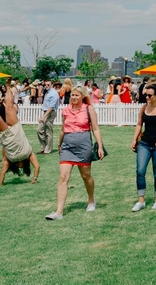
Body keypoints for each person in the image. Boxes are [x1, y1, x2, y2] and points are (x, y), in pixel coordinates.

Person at [48, 87, 104, 220]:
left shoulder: (88, 109)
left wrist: (100, 146)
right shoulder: (65, 110)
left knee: (86, 176)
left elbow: (95, 129)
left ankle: (91, 200)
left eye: (76, 95)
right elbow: (62, 129)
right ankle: (59, 212)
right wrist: (59, 144)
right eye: (72, 95)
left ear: (82, 96)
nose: (73, 98)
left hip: (83, 146)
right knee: (63, 177)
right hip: (67, 146)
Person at [0, 88, 40, 186]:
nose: (20, 166)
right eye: (21, 166)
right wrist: (34, 179)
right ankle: (8, 86)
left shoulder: (9, 160)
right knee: (8, 108)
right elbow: (37, 167)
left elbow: (2, 173)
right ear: (25, 165)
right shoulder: (28, 155)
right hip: (15, 132)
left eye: (19, 167)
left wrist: (0, 184)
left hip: (7, 137)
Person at [131, 84, 156, 210]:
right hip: (144, 144)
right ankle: (141, 200)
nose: (147, 97)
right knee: (140, 171)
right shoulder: (144, 108)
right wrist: (134, 140)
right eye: (145, 95)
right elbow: (139, 124)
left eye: (150, 95)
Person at [38, 80, 61, 154]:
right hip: (46, 112)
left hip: (50, 113)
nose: (46, 86)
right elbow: (40, 95)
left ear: (52, 85)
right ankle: (44, 147)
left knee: (48, 131)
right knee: (39, 130)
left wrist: (43, 117)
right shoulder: (47, 92)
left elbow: (51, 107)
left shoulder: (54, 93)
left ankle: (48, 149)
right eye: (45, 85)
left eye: (48, 85)